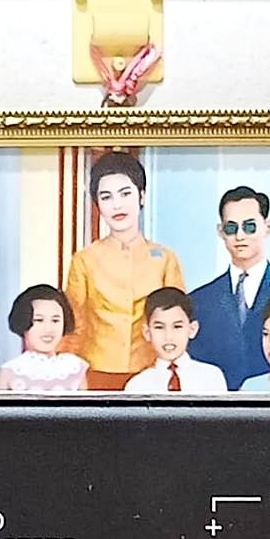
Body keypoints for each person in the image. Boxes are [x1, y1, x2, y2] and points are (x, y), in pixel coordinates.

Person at [63, 151, 185, 390]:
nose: (117, 205)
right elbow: (74, 323)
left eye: (125, 193)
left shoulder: (165, 259)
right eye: (106, 197)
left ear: (142, 196)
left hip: (153, 372)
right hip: (96, 373)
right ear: (98, 205)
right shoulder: (84, 260)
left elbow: (177, 321)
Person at [188, 186, 270, 390]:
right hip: (217, 405)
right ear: (220, 231)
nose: (240, 236)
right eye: (231, 228)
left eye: (249, 227)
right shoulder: (199, 300)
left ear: (268, 227)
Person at [123, 288, 228, 392]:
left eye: (177, 326)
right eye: (159, 327)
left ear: (192, 329)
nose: (169, 337)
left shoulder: (211, 377)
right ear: (147, 333)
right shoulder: (137, 385)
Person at [0, 284, 88, 391]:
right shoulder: (10, 372)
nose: (48, 329)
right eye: (39, 320)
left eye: (55, 320)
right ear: (23, 321)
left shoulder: (75, 368)